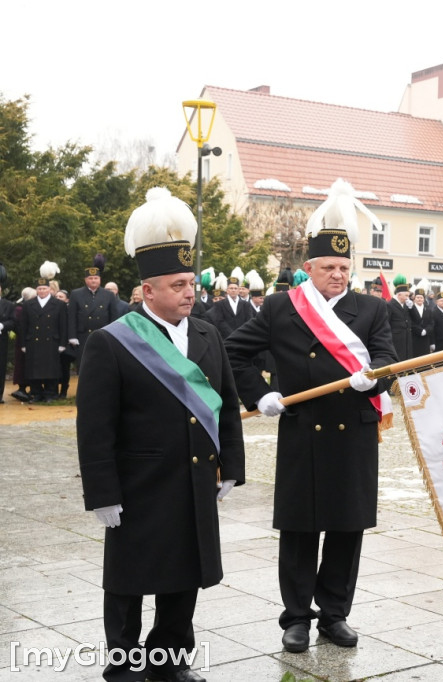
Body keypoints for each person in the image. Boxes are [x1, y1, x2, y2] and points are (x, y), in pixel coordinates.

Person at [76, 187, 245, 682]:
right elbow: (95, 428)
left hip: (192, 480)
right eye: (177, 285)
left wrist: (230, 466)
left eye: (191, 282)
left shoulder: (208, 334)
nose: (189, 293)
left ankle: (169, 661)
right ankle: (124, 664)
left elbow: (227, 404)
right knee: (129, 581)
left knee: (183, 578)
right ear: (147, 291)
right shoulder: (110, 343)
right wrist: (102, 494)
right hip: (138, 483)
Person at [225, 179, 397, 654]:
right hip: (303, 431)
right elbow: (233, 352)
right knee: (300, 529)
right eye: (329, 268)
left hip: (353, 436)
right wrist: (261, 395)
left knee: (346, 528)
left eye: (345, 267)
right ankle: (297, 617)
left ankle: (335, 614)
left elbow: (387, 360)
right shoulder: (282, 307)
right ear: (308, 269)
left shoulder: (372, 309)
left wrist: (373, 379)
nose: (338, 275)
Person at [19, 262, 67, 403]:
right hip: (33, 341)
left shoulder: (59, 304)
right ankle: (36, 393)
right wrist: (23, 343)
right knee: (34, 369)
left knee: (51, 368)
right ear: (36, 290)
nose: (42, 291)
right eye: (39, 288)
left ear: (49, 289)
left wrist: (63, 342)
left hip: (52, 341)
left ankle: (50, 394)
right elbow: (23, 325)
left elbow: (63, 325)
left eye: (44, 288)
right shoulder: (28, 305)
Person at [68, 254, 119, 365]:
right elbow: (72, 317)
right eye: (90, 278)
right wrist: (72, 336)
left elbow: (113, 317)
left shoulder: (109, 295)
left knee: (103, 365)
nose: (93, 280)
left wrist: (113, 335)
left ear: (100, 279)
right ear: (85, 280)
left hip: (103, 335)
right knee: (85, 365)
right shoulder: (76, 294)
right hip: (83, 336)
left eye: (96, 278)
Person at [206, 268, 253, 339]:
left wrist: (241, 333)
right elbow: (220, 321)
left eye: (235, 288)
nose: (233, 290)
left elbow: (249, 320)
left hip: (242, 338)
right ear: (227, 290)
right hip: (226, 338)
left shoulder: (246, 305)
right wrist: (232, 334)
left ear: (238, 290)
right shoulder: (219, 304)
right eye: (231, 288)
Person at [387, 274, 413, 361]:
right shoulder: (390, 305)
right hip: (396, 341)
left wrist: (411, 308)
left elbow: (412, 319)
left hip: (406, 340)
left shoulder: (406, 304)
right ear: (399, 295)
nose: (407, 298)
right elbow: (387, 324)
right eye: (406, 295)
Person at [0, 267, 14, 403]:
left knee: (0, 368)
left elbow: (13, 321)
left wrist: (2, 325)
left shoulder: (8, 305)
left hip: (1, 340)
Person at [409, 286, 434, 357]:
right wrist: (419, 330)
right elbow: (410, 322)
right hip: (415, 338)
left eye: (421, 297)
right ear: (414, 298)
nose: (419, 299)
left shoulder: (428, 310)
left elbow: (431, 323)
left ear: (424, 299)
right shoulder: (411, 309)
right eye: (418, 297)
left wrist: (426, 330)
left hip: (425, 339)